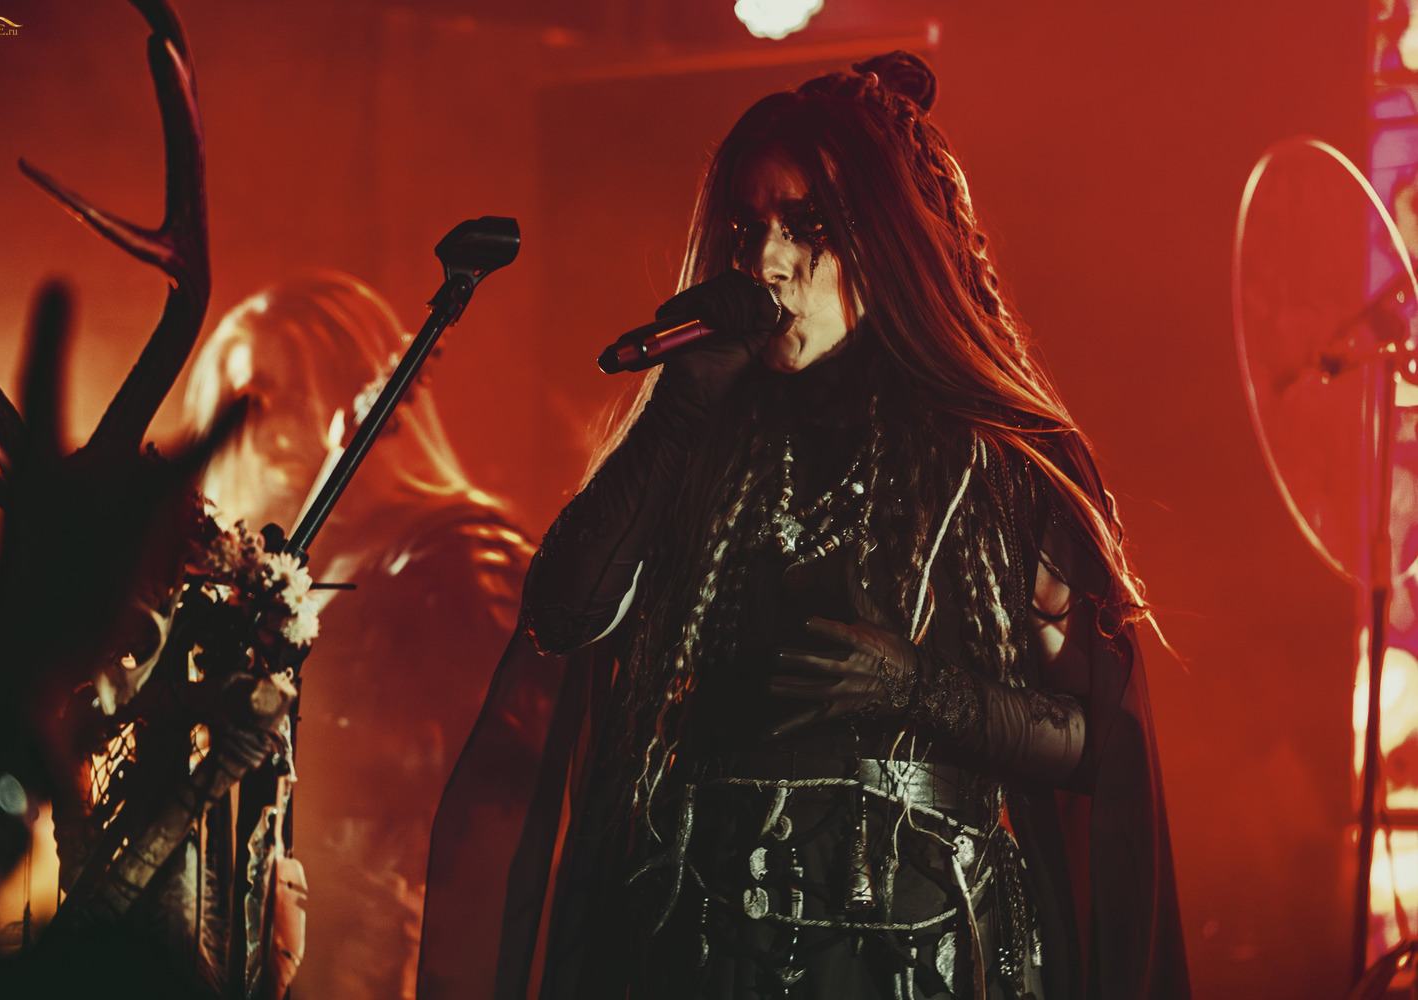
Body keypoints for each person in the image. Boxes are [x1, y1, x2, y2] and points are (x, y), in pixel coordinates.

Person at [440, 52, 1188, 1000]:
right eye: (748, 228)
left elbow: (1099, 745)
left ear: (887, 239)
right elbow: (561, 613)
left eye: (808, 228)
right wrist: (675, 410)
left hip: (921, 960)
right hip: (702, 952)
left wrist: (920, 691)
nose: (766, 262)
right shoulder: (702, 433)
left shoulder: (1001, 459)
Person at [182, 271, 531, 1000]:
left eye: (296, 390)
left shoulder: (462, 557)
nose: (272, 423)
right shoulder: (270, 571)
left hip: (405, 952)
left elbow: (509, 783)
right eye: (248, 398)